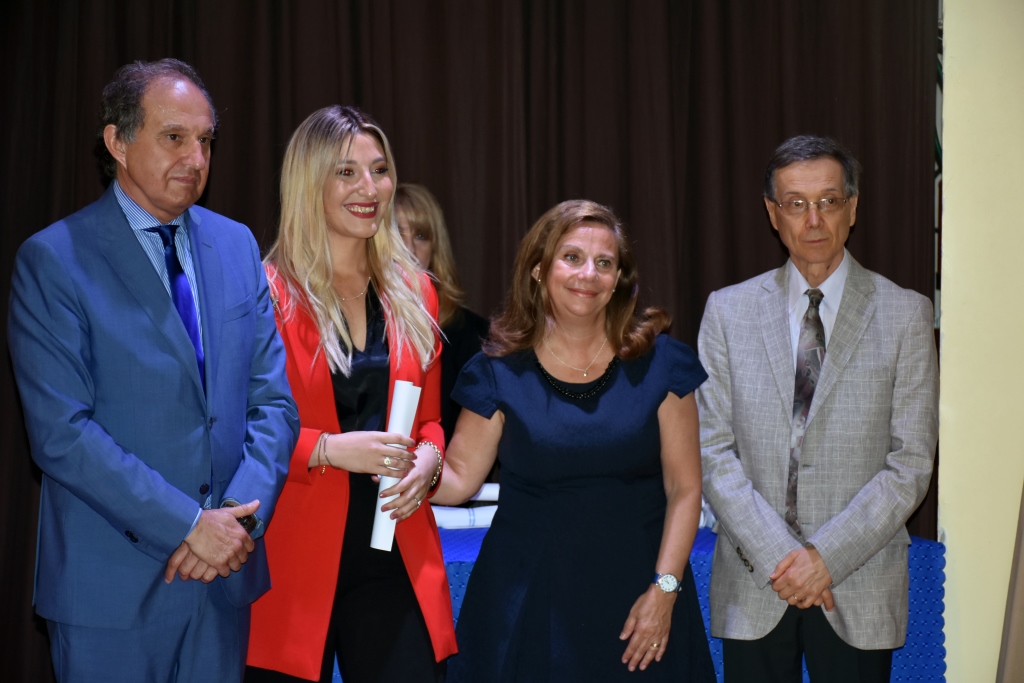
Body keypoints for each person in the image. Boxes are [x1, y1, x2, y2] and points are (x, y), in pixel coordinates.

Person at [8, 58, 299, 682]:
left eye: (206, 140)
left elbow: (273, 404)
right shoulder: (53, 260)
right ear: (117, 141)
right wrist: (189, 526)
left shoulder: (238, 245)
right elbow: (62, 432)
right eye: (175, 137)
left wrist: (233, 527)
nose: (196, 157)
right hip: (109, 591)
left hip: (222, 583)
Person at [432, 199, 716, 682]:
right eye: (572, 257)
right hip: (525, 601)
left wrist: (665, 591)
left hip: (639, 603)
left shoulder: (663, 363)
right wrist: (402, 461)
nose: (589, 273)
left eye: (605, 263)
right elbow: (456, 480)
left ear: (619, 279)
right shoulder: (497, 370)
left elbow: (685, 488)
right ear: (539, 270)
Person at [697, 135, 939, 682]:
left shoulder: (905, 315)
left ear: (852, 209)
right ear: (772, 214)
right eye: (796, 203)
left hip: (856, 581)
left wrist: (823, 558)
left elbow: (911, 465)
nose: (814, 219)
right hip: (757, 582)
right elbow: (711, 451)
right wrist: (783, 558)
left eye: (829, 201)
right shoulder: (726, 311)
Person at [245, 106, 457, 683]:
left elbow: (431, 421)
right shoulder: (262, 293)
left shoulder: (415, 291)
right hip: (294, 555)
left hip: (397, 550)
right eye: (346, 173)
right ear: (309, 182)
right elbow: (234, 431)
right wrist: (328, 450)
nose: (371, 188)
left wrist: (431, 461)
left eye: (380, 169)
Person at [395, 183, 490, 446]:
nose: (408, 249)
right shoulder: (351, 324)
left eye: (421, 236)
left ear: (436, 248)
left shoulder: (476, 337)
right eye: (396, 233)